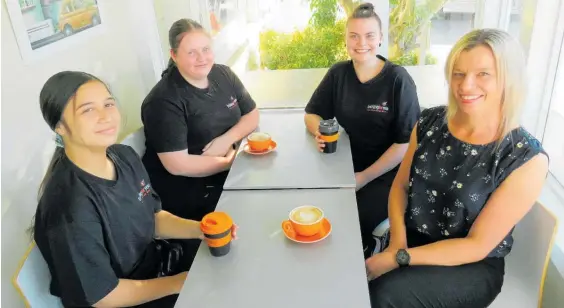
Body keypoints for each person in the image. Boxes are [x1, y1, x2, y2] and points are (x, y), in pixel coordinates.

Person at [365, 29, 549, 308]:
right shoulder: (429, 122)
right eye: (458, 73)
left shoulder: (525, 158)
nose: (465, 86)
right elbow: (400, 187)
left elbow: (477, 245)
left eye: (483, 74)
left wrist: (398, 258)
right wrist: (397, 244)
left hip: (471, 265)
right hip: (413, 241)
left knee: (384, 296)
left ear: (509, 80)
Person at [32, 71, 236, 308]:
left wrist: (201, 230)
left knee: (231, 266)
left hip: (157, 265)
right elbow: (103, 295)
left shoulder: (123, 156)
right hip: (124, 298)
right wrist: (179, 283)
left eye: (108, 104)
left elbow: (153, 218)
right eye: (87, 110)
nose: (105, 116)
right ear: (60, 127)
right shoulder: (69, 206)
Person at [304, 3, 420, 256]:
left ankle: (374, 246)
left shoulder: (398, 80)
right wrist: (319, 131)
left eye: (369, 35)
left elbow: (405, 144)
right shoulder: (338, 74)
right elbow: (311, 114)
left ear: (380, 39)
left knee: (351, 223)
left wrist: (364, 177)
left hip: (389, 173)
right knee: (320, 212)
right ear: (345, 39)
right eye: (353, 36)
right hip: (344, 165)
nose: (361, 43)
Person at [141, 19, 258, 267]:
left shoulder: (223, 74)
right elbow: (177, 165)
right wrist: (227, 163)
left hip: (229, 173)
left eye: (206, 49)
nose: (202, 58)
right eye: (191, 52)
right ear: (174, 55)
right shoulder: (163, 100)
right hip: (190, 195)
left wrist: (227, 139)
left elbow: (252, 114)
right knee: (243, 241)